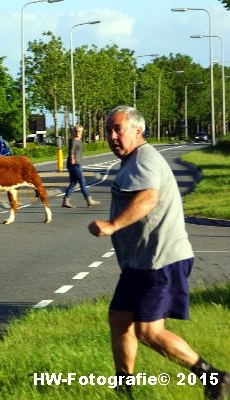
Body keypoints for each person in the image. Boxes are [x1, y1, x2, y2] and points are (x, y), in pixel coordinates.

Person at [88, 106, 229, 399]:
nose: (112, 136)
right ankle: (123, 387)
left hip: (161, 260)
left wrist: (113, 225)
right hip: (139, 262)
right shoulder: (131, 161)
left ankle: (214, 377)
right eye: (108, 130)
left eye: (118, 129)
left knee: (148, 331)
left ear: (137, 131)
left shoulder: (144, 159)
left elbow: (149, 197)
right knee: (118, 317)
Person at [62, 125, 99, 208]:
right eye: (77, 131)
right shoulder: (74, 140)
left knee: (73, 183)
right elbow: (71, 150)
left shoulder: (78, 140)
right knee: (82, 182)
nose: (78, 133)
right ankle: (89, 200)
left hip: (75, 163)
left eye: (80, 131)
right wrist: (72, 159)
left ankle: (66, 200)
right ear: (74, 131)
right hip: (74, 164)